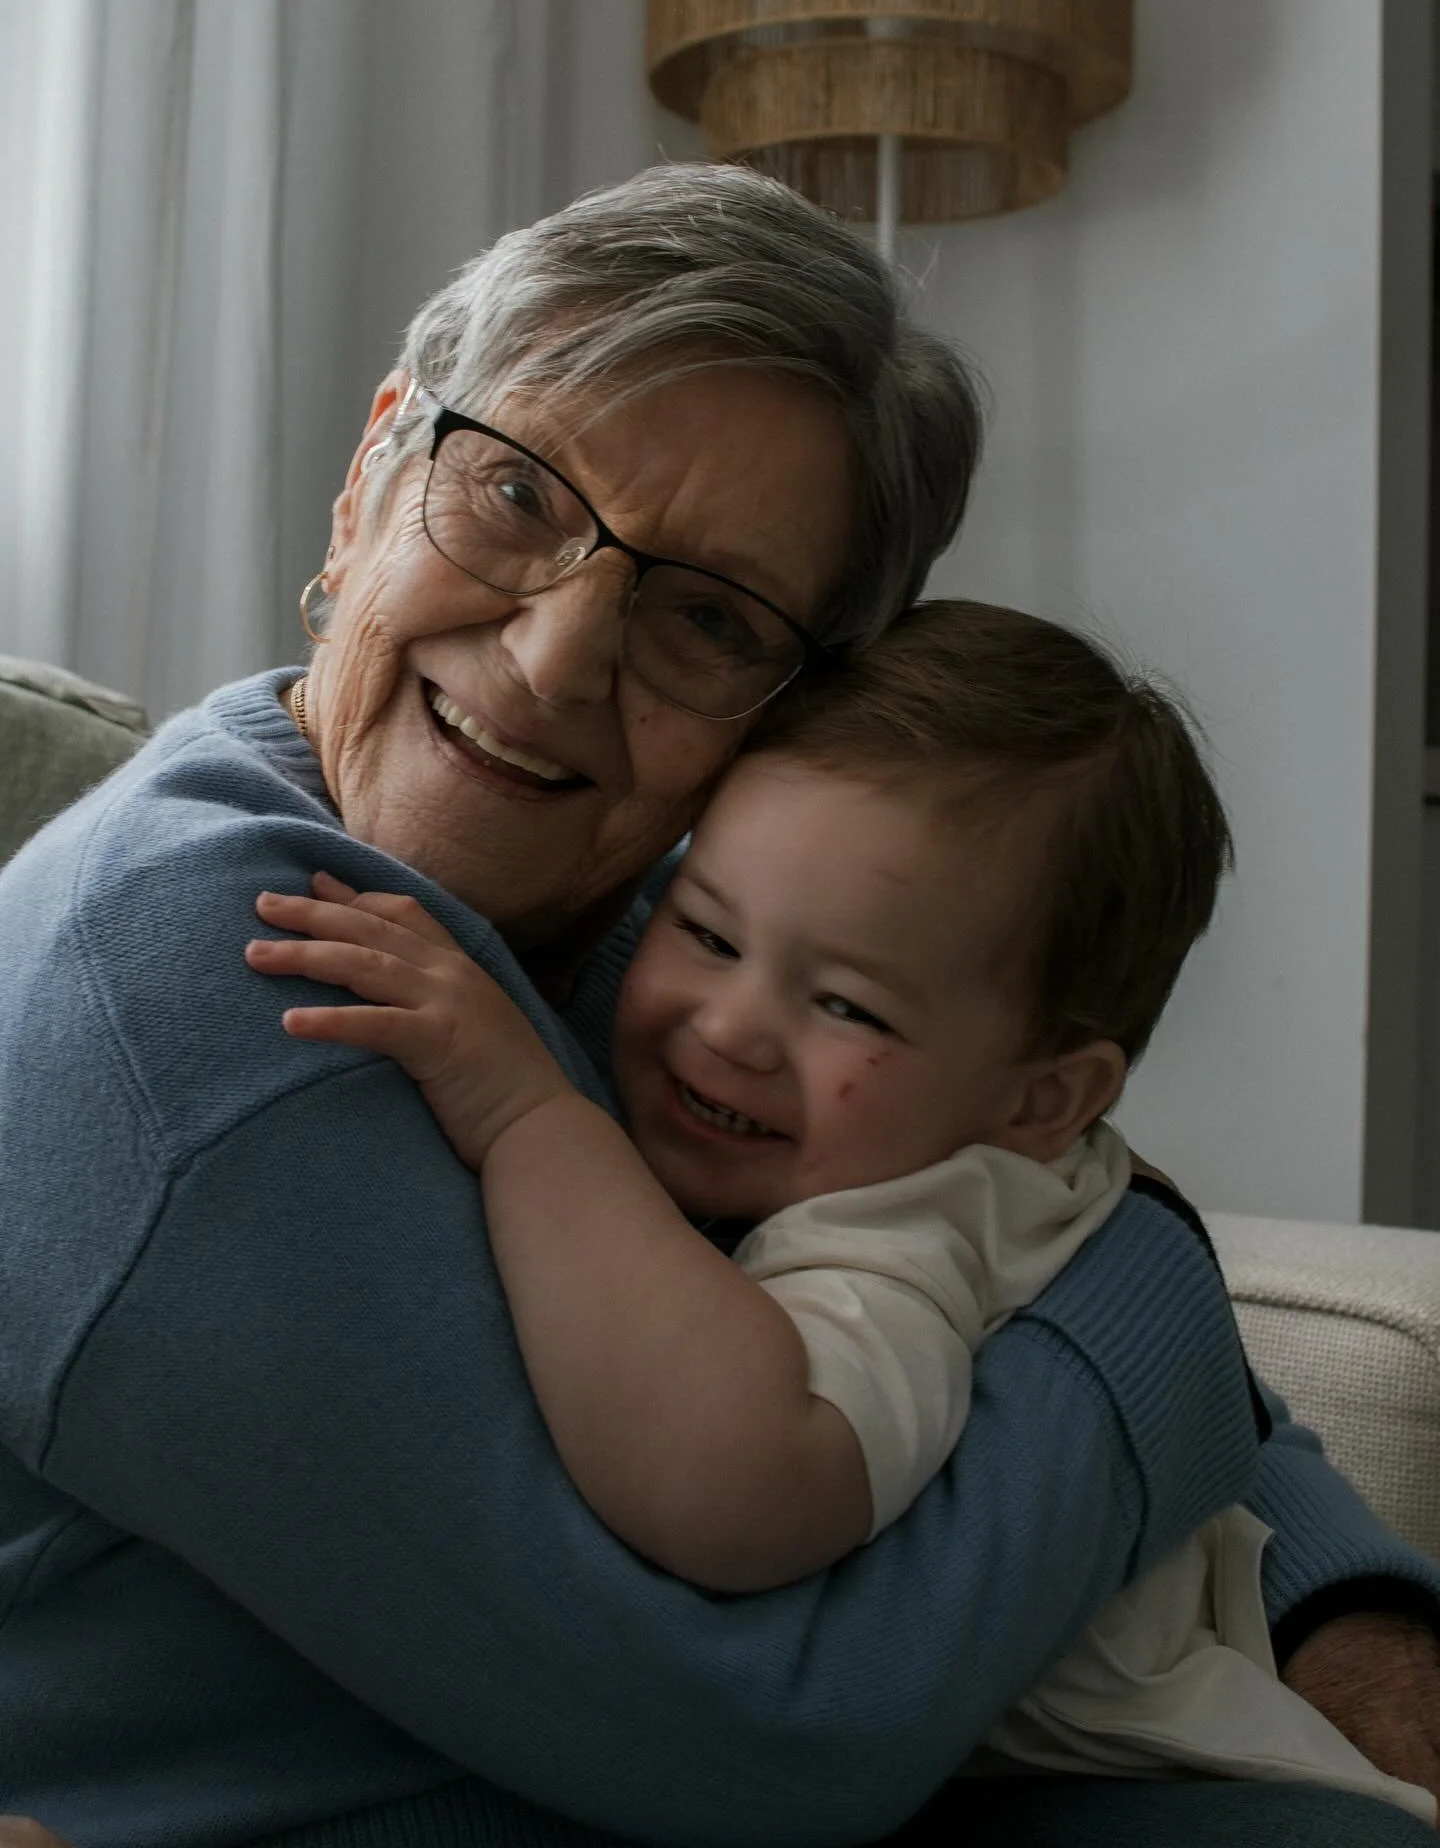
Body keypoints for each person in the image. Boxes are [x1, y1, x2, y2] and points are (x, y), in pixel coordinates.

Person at [0, 164, 1437, 1848]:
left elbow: (1013, 1245)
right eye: (518, 495)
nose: (557, 659)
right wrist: (1158, 1314)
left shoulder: (637, 927)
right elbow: (772, 1735)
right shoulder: (221, 975)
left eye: (705, 616)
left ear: (790, 711)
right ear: (369, 478)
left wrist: (1344, 1607)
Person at [249, 596, 1432, 1821]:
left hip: (1157, 1783)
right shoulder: (901, 1129)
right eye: (704, 929)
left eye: (850, 1009)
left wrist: (522, 1115)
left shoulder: (905, 1234)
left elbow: (738, 1485)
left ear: (1042, 1101)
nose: (729, 1030)